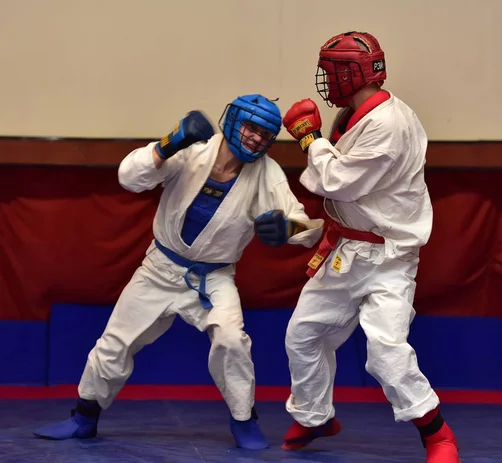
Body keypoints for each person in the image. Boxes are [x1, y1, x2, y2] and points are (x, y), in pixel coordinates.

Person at [32, 94, 324, 450]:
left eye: (265, 134)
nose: (256, 139)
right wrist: (168, 143)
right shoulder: (192, 151)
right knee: (114, 343)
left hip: (213, 278)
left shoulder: (268, 173)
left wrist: (286, 231)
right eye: (250, 128)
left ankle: (244, 421)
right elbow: (129, 177)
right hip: (159, 268)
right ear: (231, 121)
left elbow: (308, 228)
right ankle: (84, 417)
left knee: (232, 341)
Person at [279, 31, 460, 462]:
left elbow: (338, 183)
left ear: (353, 73)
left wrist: (309, 140)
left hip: (388, 259)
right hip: (345, 252)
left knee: (385, 352)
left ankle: (438, 434)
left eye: (330, 71)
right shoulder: (351, 115)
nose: (325, 80)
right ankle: (314, 415)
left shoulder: (389, 124)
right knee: (303, 335)